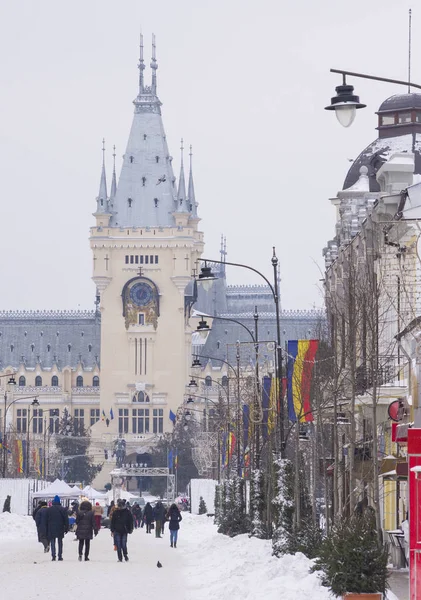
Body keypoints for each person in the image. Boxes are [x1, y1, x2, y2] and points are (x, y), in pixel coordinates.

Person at [46, 495, 69, 561]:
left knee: (52, 541)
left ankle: (53, 556)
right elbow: (66, 519)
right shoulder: (63, 509)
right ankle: (60, 556)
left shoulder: (49, 509)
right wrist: (66, 528)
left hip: (51, 527)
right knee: (60, 542)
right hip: (60, 527)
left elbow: (47, 519)